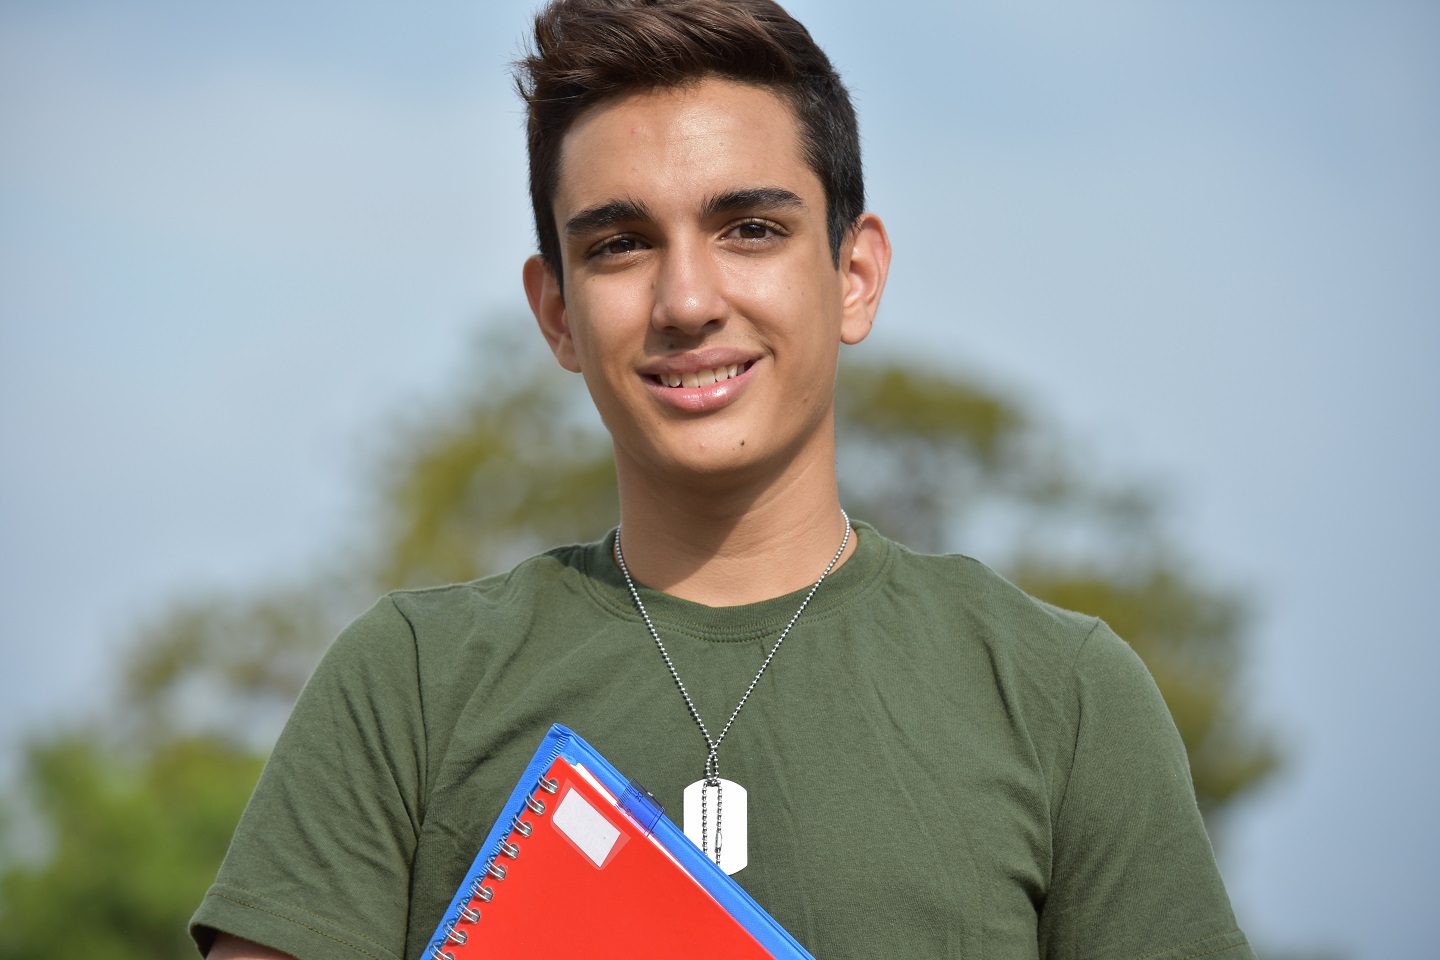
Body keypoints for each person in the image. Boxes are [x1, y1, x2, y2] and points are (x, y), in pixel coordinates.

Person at [192, 1, 1254, 957]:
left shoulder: (1059, 694)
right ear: (557, 311)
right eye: (619, 244)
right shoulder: (411, 683)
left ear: (853, 273)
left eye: (750, 229)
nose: (687, 298)